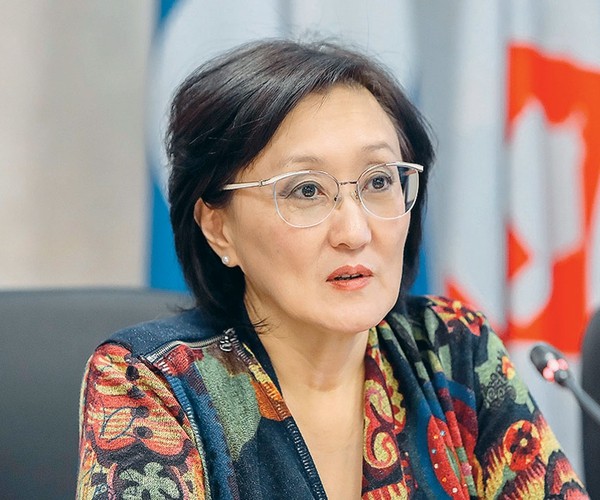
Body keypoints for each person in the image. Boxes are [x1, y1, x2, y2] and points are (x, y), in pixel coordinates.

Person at [77, 39, 587, 499]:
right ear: (219, 228)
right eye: (306, 190)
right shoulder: (150, 384)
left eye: (379, 181)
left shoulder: (453, 350)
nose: (355, 231)